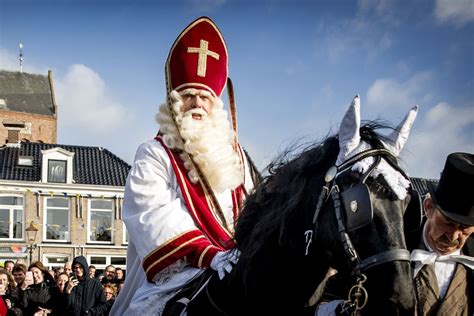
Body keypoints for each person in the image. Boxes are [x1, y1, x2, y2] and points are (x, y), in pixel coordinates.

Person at [111, 16, 259, 315]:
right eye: (188, 95)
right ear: (174, 102)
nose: (196, 103)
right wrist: (209, 255)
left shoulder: (237, 155)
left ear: (215, 103)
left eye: (204, 96)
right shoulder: (153, 153)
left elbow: (257, 206)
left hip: (238, 264)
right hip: (177, 272)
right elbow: (152, 213)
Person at [407, 152, 474, 315]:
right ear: (428, 207)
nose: (453, 237)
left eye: (464, 228)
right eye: (447, 223)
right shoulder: (395, 246)